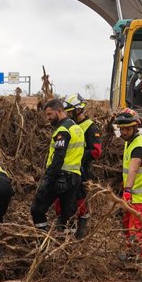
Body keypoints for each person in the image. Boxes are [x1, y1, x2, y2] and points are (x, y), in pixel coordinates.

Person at [31, 98, 85, 232]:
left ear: (60, 111)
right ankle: (69, 246)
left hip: (60, 177)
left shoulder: (63, 130)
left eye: (50, 114)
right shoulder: (76, 127)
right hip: (74, 177)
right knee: (69, 214)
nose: (48, 118)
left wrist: (48, 179)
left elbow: (58, 157)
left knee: (37, 209)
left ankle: (41, 239)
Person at [53, 93, 102, 238]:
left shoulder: (90, 127)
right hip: (66, 169)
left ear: (78, 110)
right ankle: (63, 224)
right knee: (61, 197)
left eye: (69, 111)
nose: (67, 114)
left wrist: (79, 155)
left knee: (80, 198)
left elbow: (96, 152)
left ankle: (82, 227)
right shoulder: (69, 125)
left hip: (82, 170)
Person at [113, 108, 142, 262]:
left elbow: (133, 169)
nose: (123, 132)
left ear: (135, 128)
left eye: (126, 129)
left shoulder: (139, 147)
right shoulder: (130, 142)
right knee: (127, 223)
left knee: (140, 228)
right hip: (134, 196)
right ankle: (130, 251)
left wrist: (127, 190)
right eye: (121, 129)